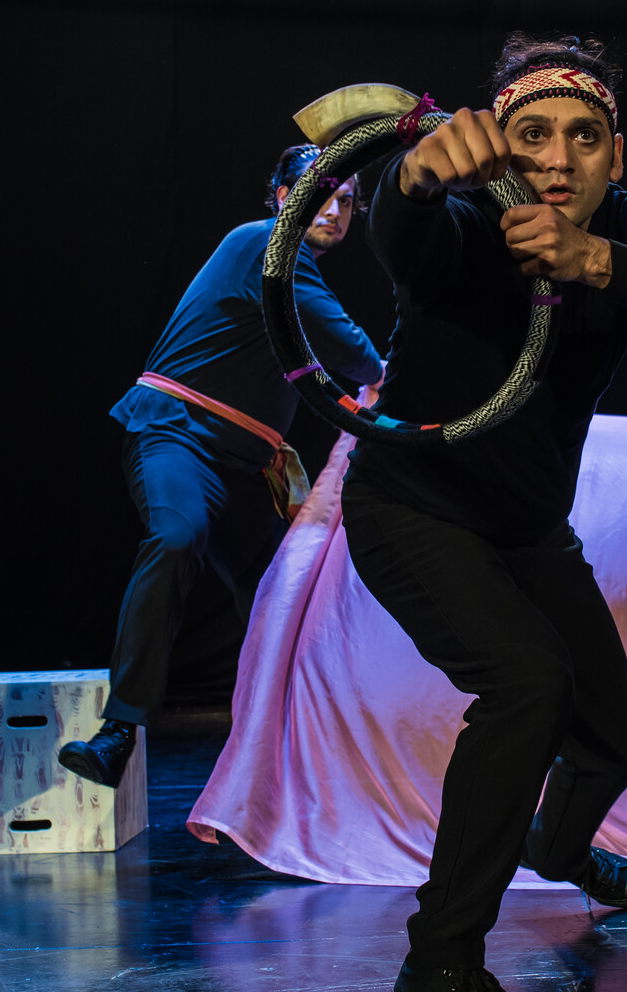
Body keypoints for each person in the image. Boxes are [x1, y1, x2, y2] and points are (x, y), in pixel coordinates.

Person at [341, 34, 627, 992]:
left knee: (616, 739)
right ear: (496, 143)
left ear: (612, 156)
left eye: (584, 138)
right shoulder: (462, 219)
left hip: (528, 529)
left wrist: (596, 262)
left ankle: (556, 841)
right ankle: (437, 966)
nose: (559, 158)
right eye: (531, 133)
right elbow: (404, 240)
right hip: (414, 509)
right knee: (528, 683)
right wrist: (407, 180)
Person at [58, 147, 383, 787]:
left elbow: (325, 378)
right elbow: (351, 350)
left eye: (348, 200)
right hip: (179, 436)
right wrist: (394, 377)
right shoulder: (264, 245)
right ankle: (117, 730)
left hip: (245, 468)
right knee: (178, 535)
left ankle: (305, 747)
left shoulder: (293, 279)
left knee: (284, 596)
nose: (337, 209)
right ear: (284, 195)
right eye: (323, 193)